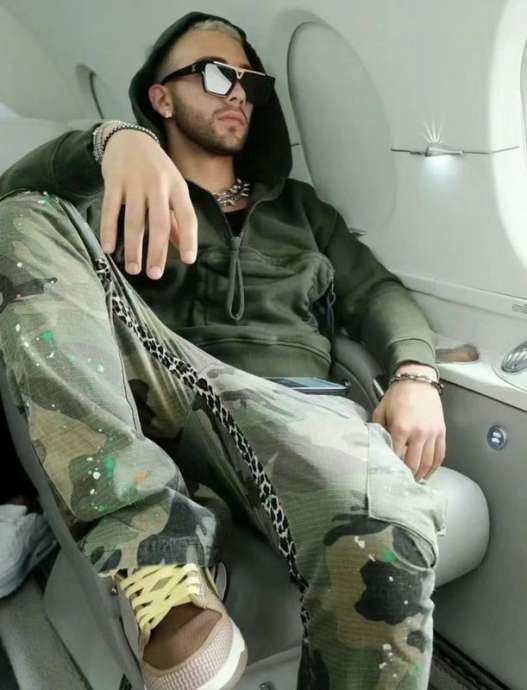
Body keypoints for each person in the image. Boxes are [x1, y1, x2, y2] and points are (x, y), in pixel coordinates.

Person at [0, 11, 447, 690]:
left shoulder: (302, 210)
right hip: (167, 384)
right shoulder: (117, 192)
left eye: (248, 81)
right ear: (162, 97)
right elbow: (17, 212)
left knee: (385, 534)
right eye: (214, 74)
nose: (237, 91)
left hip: (298, 410)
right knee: (22, 216)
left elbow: (377, 292)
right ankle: (153, 547)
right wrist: (111, 142)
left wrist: (415, 373)